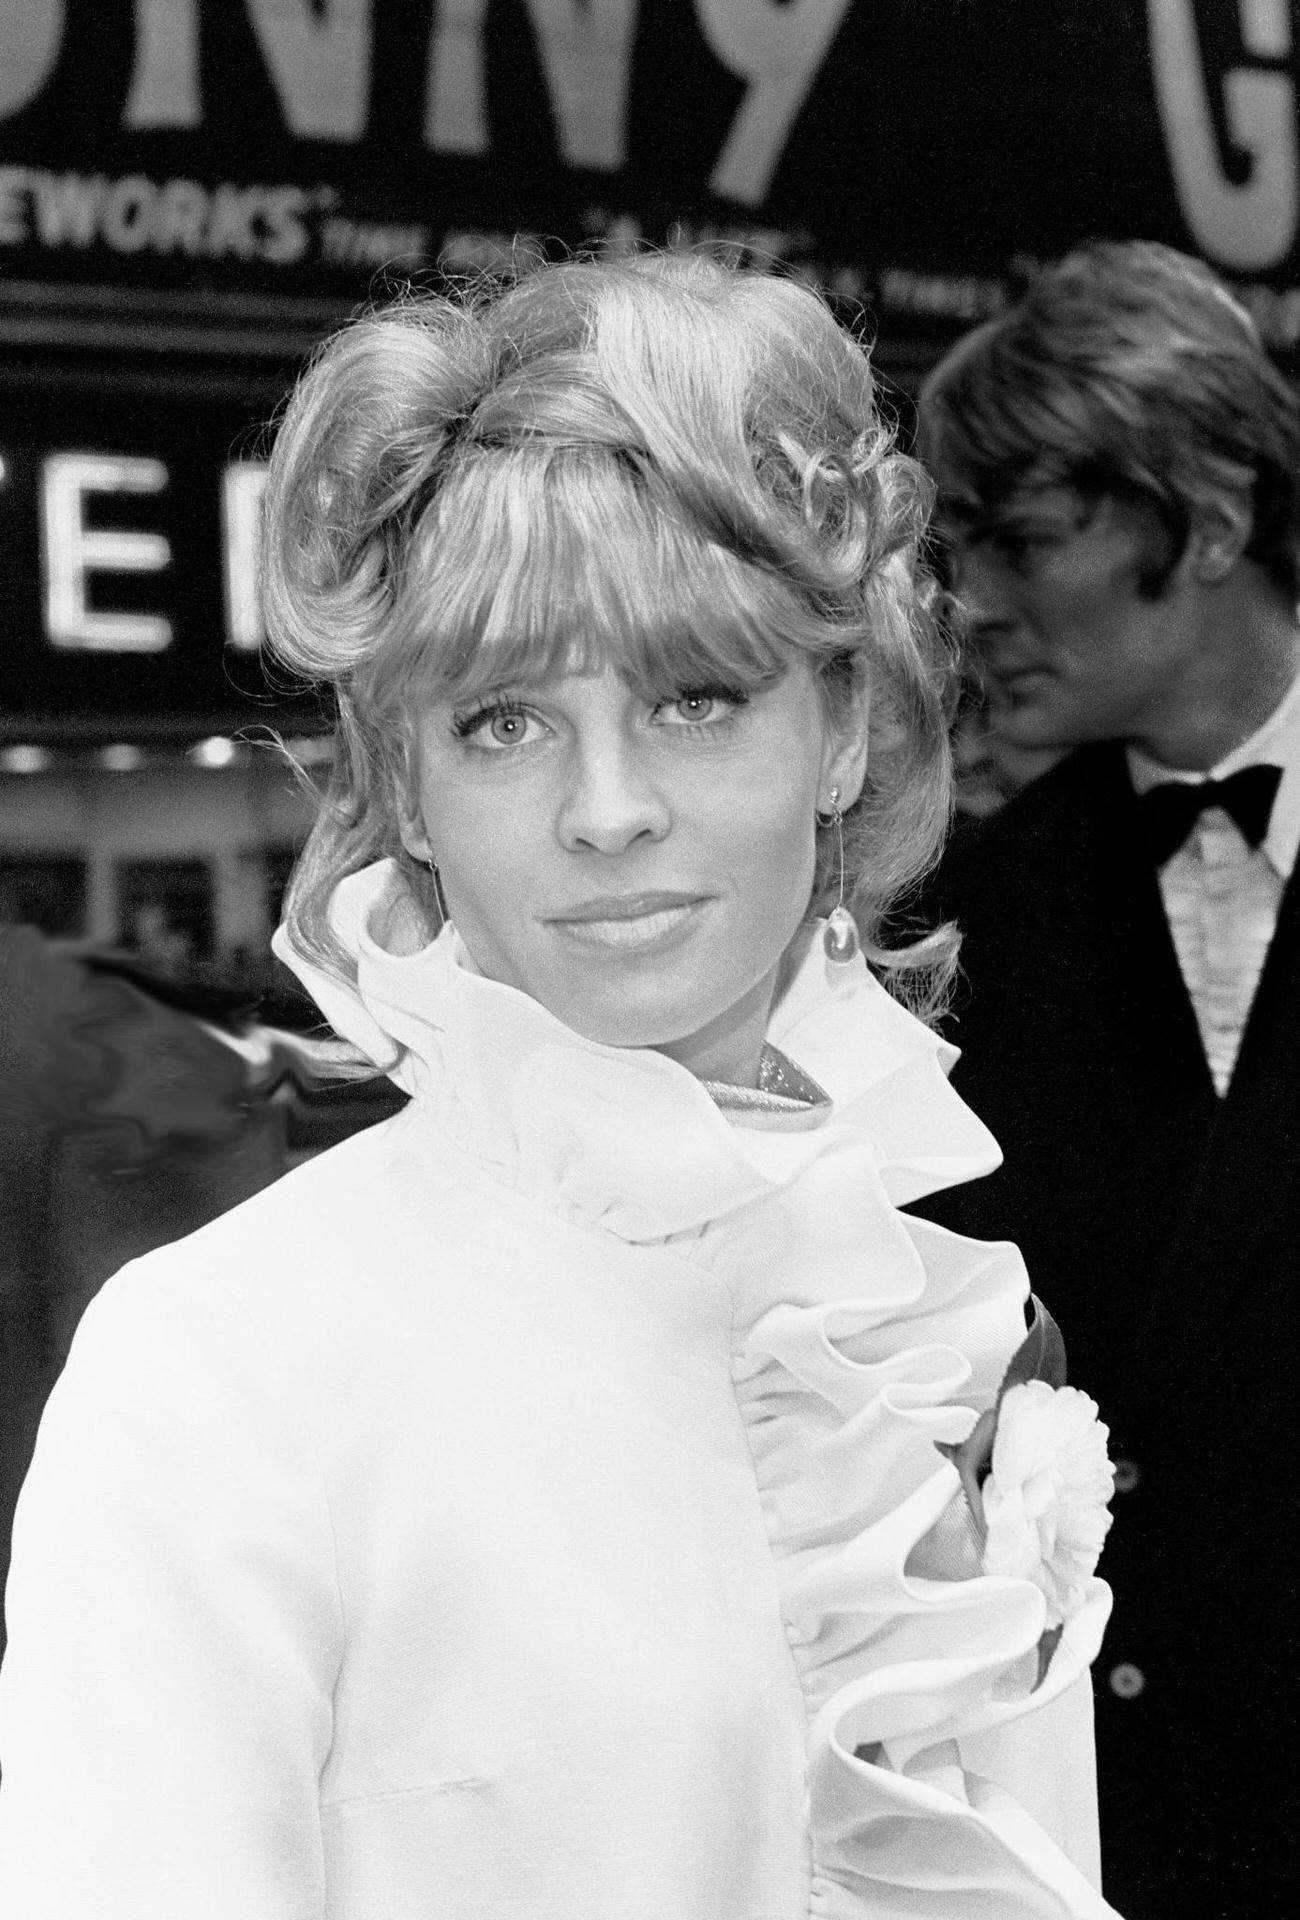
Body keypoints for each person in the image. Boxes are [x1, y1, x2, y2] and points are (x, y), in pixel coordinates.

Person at [0, 253, 1118, 1918]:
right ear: (406, 785)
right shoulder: (230, 1370)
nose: (607, 810)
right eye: (507, 722)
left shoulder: (925, 1324)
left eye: (695, 698)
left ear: (843, 735)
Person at [908, 240, 1300, 1915]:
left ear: (1207, 520)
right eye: (955, 549)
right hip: (1125, 1821)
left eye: (1026, 540)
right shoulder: (954, 934)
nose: (974, 602)